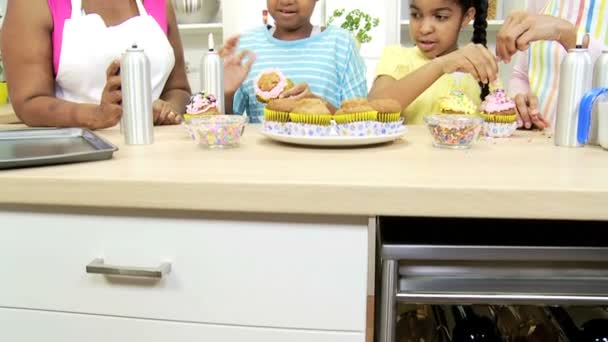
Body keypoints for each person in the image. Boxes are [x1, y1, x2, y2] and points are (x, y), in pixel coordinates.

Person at [1, 0, 190, 129]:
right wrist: (96, 116)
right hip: (77, 157)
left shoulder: (157, 3)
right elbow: (29, 102)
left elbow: (179, 89)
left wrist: (167, 110)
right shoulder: (33, 5)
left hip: (156, 151)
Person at [220, 0, 368, 123]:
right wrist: (226, 93)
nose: (286, 1)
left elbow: (360, 122)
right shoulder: (246, 46)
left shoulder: (341, 43)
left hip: (324, 156)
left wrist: (318, 105)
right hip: (262, 157)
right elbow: (226, 127)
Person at [369, 0, 498, 124]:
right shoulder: (396, 56)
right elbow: (372, 107)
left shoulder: (481, 65)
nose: (424, 29)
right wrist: (441, 64)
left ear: (466, 16)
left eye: (440, 17)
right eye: (416, 15)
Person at [498, 0, 608, 129]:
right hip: (541, 141)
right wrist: (521, 102)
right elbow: (521, 75)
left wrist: (568, 35)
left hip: (596, 142)